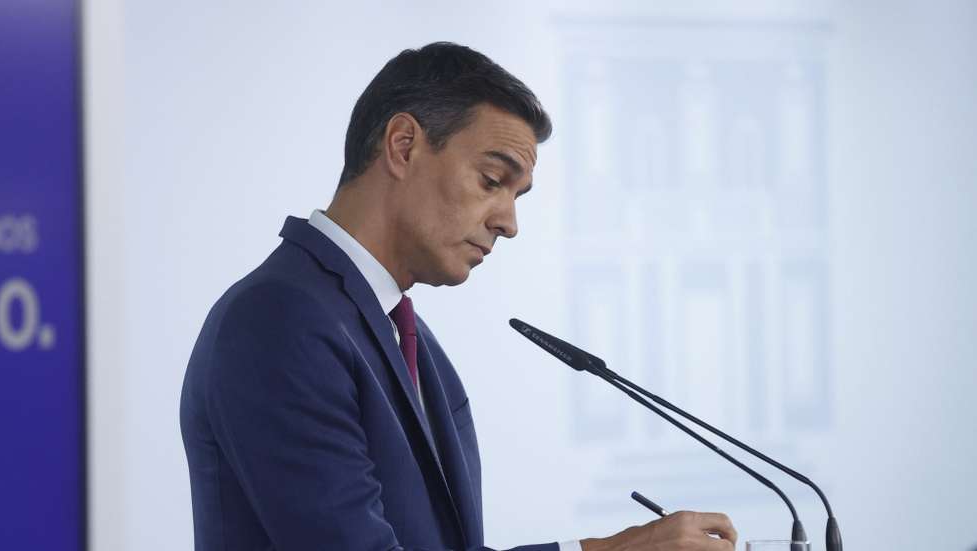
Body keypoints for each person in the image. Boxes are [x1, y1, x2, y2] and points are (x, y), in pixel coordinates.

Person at [180, 41, 737, 551]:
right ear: (403, 146)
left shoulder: (415, 344)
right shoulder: (280, 321)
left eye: (519, 195)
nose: (509, 223)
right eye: (493, 180)